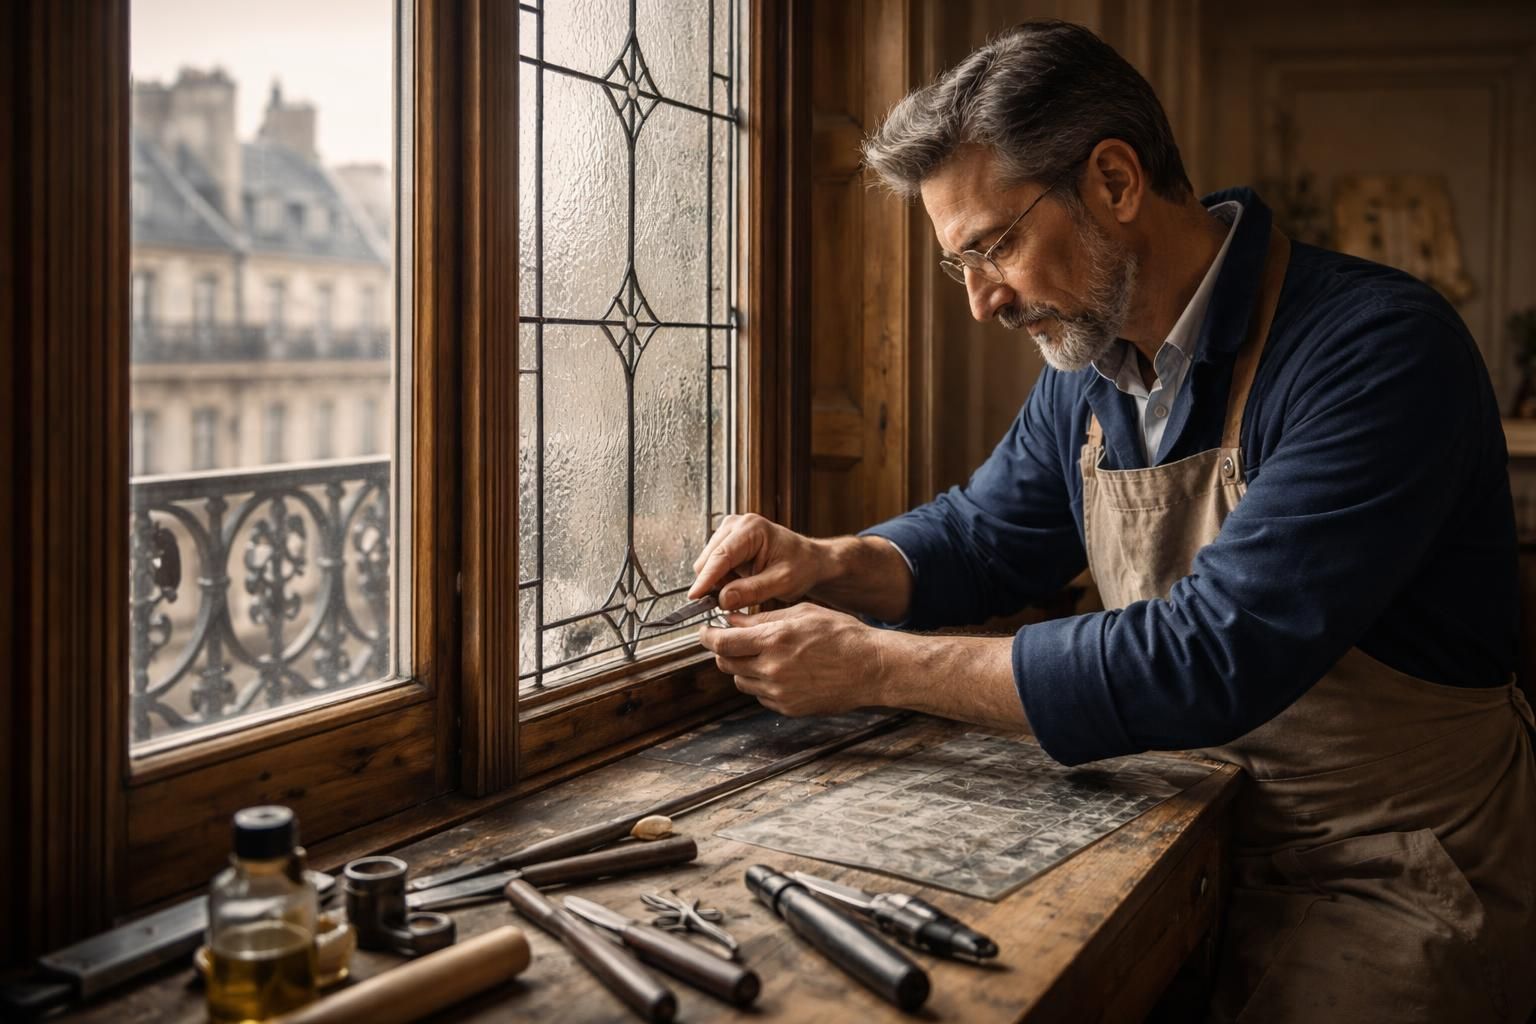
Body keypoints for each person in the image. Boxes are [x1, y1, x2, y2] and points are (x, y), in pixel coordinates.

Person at [689, 19, 1536, 1024]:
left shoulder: (1377, 353)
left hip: (1397, 868)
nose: (979, 301)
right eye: (960, 264)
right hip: (1197, 827)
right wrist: (830, 562)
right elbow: (982, 534)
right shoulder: (1091, 370)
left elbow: (1211, 653)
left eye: (994, 246)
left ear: (1117, 183)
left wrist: (875, 665)